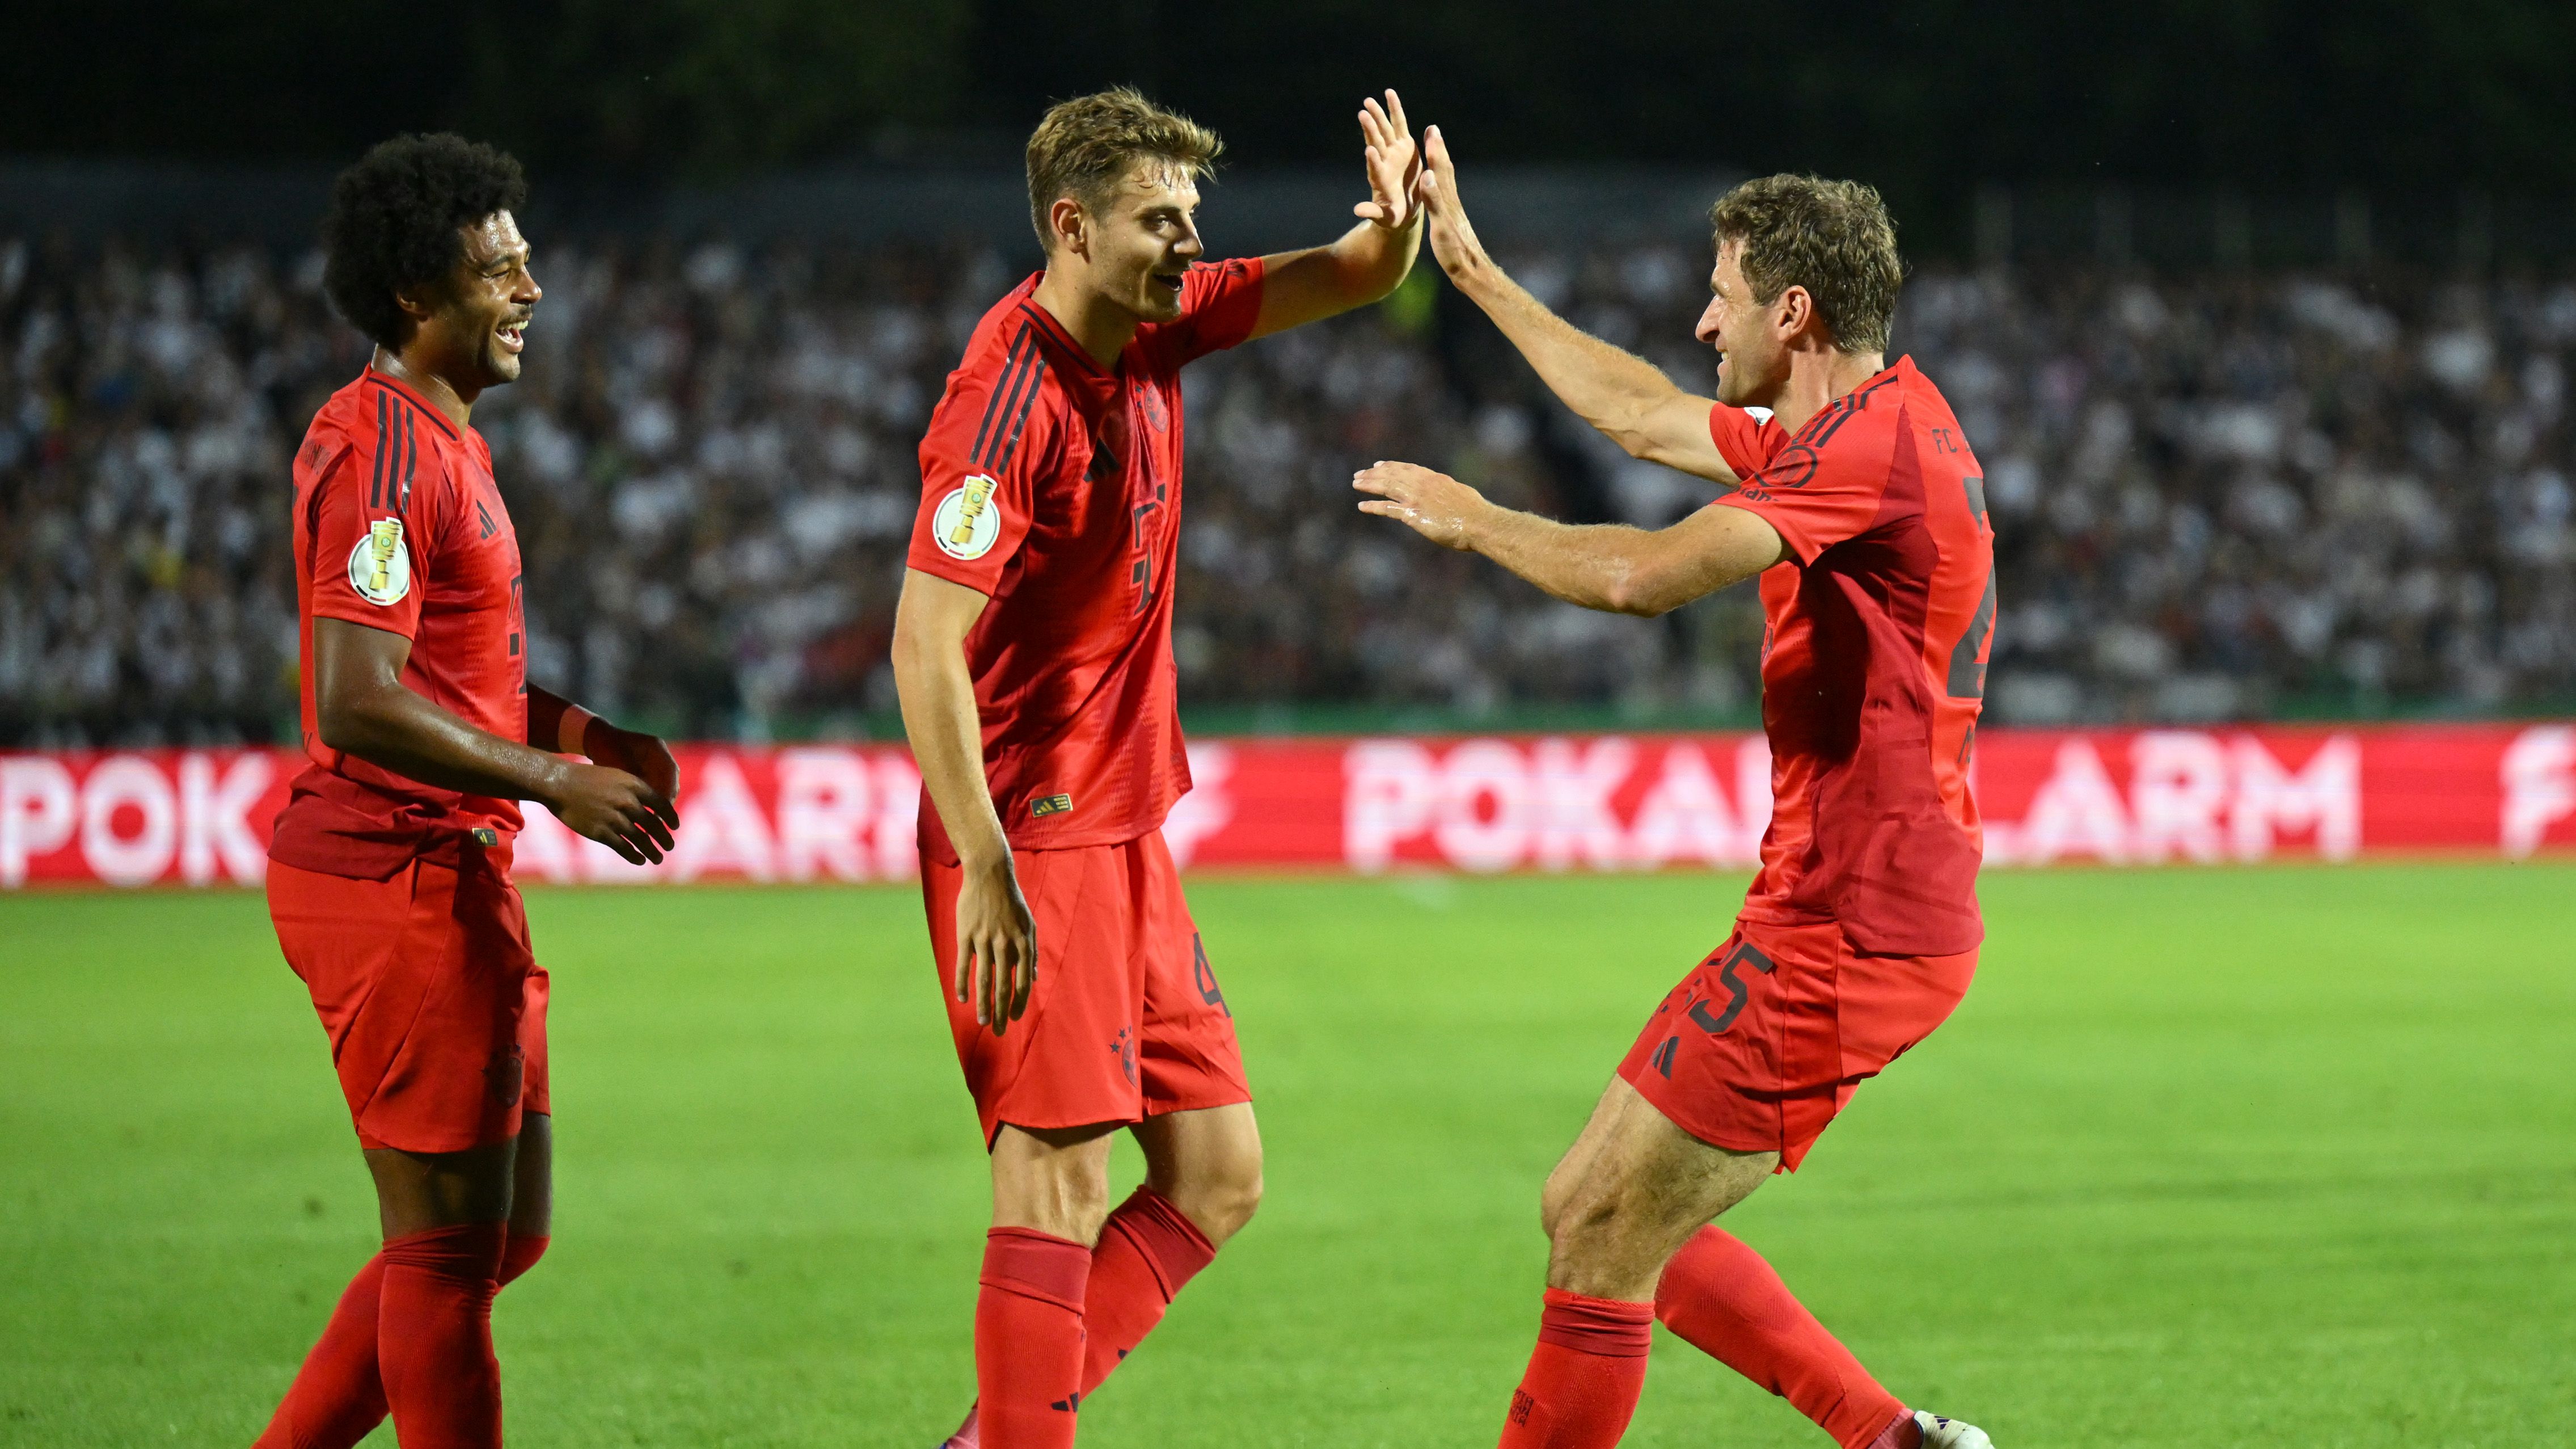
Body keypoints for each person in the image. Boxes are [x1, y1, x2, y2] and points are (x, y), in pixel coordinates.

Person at [1355, 128, 2000, 1449]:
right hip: (1835, 913)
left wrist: (1470, 515)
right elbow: (1639, 413)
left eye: (1723, 293)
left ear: (1794, 311)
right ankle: (1890, 1439)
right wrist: (1469, 267)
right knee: (1594, 1208)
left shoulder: (1862, 455)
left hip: (1853, 930)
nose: (1704, 318)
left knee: (1601, 1228)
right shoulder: (1848, 428)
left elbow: (1639, 579)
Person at [893, 87, 1424, 1449]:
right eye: (1158, 220)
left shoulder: (1156, 319)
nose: (1190, 244)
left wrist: (1395, 223)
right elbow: (922, 643)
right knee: (1054, 1191)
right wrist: (991, 873)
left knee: (1217, 1171)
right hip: (1035, 834)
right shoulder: (1005, 404)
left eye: (1195, 218)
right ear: (1072, 227)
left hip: (1123, 830)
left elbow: (1354, 273)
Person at [250, 133, 682, 1449]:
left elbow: (442, 673)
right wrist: (551, 776)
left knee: (503, 1235)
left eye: (526, 261)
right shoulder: (379, 449)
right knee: (443, 1257)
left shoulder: (441, 441)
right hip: (394, 879)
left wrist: (578, 731)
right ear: (412, 299)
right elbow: (357, 693)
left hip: (449, 875)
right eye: (498, 271)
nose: (529, 289)